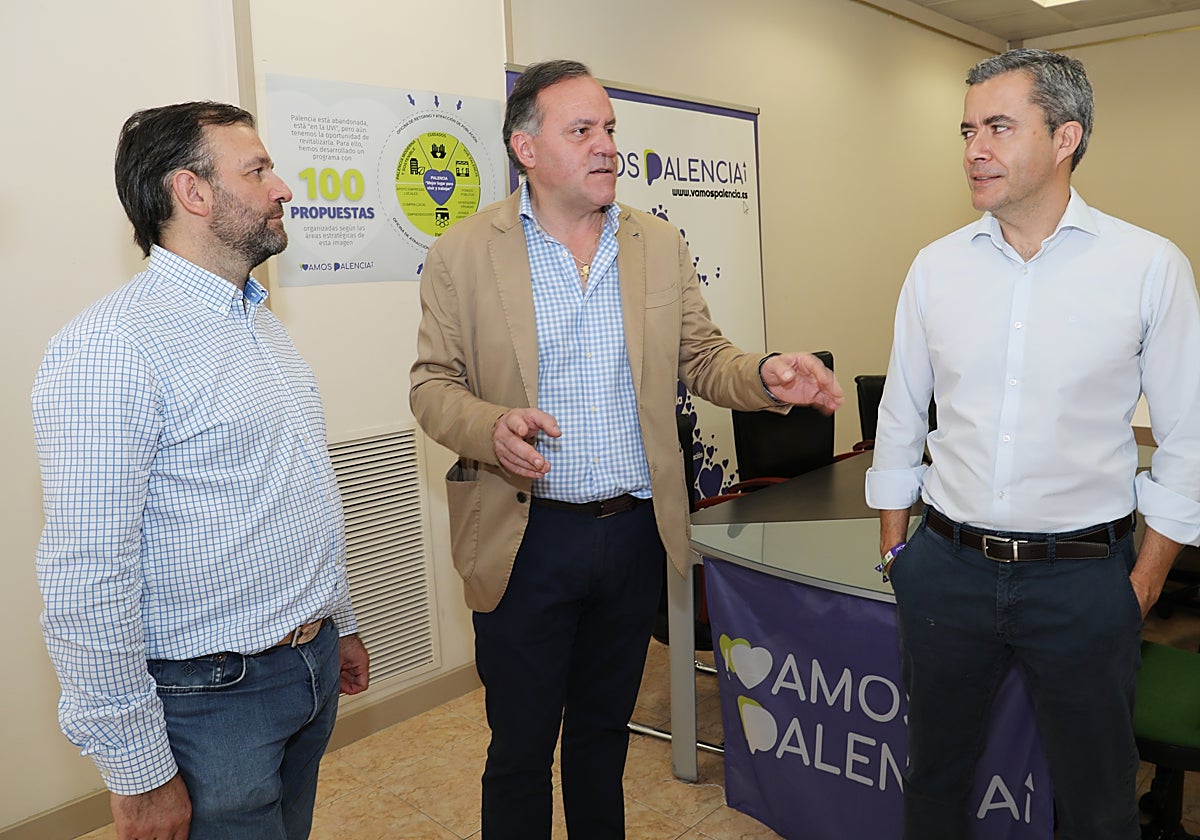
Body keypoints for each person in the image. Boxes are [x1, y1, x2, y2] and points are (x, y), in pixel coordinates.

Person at [409, 59, 843, 838]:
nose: (606, 146)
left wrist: (769, 375)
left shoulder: (658, 244)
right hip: (524, 537)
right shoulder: (464, 254)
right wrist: (490, 427)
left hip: (635, 534)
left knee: (602, 739)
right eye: (583, 130)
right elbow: (431, 386)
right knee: (520, 748)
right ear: (527, 149)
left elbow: (706, 358)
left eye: (610, 129)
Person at [866, 48, 1200, 839]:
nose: (973, 148)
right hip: (946, 570)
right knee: (935, 781)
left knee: (1097, 799)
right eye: (967, 129)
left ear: (1064, 137)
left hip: (1085, 581)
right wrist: (897, 555)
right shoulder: (935, 268)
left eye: (998, 127)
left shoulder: (1148, 267)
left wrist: (1144, 582)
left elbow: (1188, 440)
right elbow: (902, 417)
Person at [33, 101, 370, 840]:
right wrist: (138, 772)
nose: (283, 187)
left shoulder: (258, 321)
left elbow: (297, 489)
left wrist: (335, 623)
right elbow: (88, 577)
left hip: (304, 670)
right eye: (257, 170)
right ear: (192, 193)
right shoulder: (110, 348)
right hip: (212, 702)